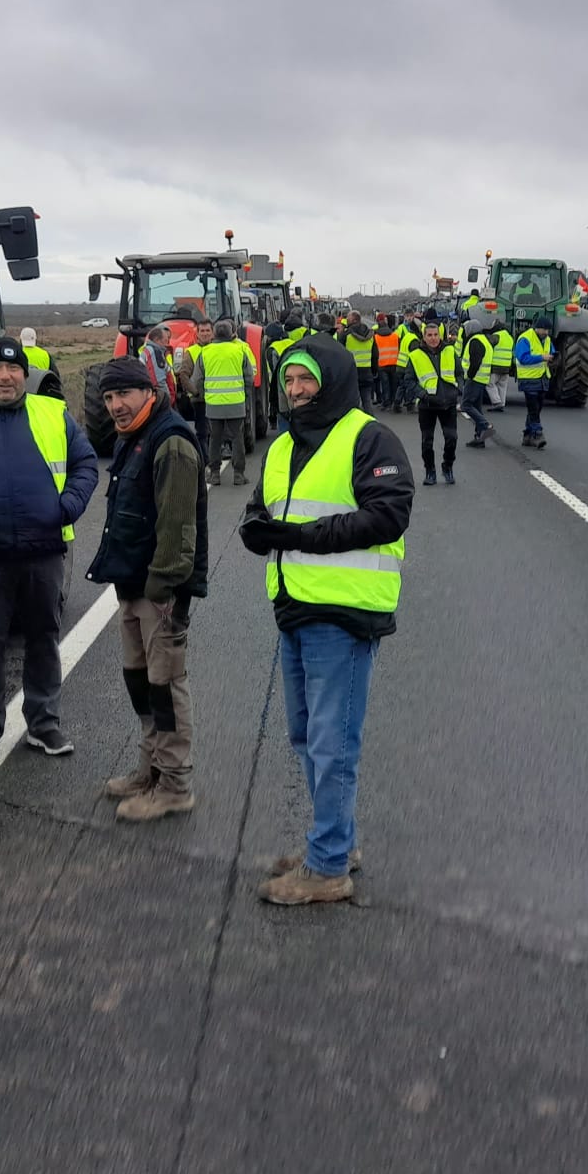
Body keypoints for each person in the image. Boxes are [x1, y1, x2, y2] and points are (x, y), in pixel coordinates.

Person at [239, 334, 413, 905]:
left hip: (344, 612)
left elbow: (388, 515)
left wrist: (294, 537)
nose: (295, 391)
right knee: (305, 734)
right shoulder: (285, 444)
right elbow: (262, 510)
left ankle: (329, 865)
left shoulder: (369, 437)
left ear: (332, 379)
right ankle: (335, 840)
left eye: (306, 379)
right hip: (293, 605)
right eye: (289, 381)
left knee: (331, 742)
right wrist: (255, 530)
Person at [0, 336, 99, 762]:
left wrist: (68, 506)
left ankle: (44, 724)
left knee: (43, 639)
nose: (6, 377)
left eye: (14, 370)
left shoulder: (52, 415)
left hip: (43, 550)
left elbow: (86, 464)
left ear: (24, 376)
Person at [85, 358, 209, 822]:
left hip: (160, 592)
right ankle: (151, 767)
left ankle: (175, 783)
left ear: (148, 392)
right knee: (140, 680)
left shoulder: (170, 440)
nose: (116, 405)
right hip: (133, 584)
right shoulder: (134, 436)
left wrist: (166, 588)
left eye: (124, 395)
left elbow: (178, 526)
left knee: (165, 685)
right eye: (110, 397)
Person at [199, 318, 256, 487]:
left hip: (213, 404)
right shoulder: (239, 350)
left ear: (214, 333)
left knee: (214, 439)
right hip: (236, 403)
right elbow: (249, 378)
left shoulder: (206, 352)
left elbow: (198, 379)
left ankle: (215, 474)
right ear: (232, 333)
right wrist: (244, 395)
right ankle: (239, 474)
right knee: (237, 438)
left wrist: (205, 396)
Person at [407, 321, 461, 485]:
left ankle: (448, 466)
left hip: (448, 403)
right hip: (427, 405)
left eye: (435, 335)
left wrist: (458, 390)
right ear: (424, 337)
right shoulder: (415, 355)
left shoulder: (450, 351)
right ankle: (430, 471)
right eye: (429, 335)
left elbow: (459, 373)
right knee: (427, 442)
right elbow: (409, 381)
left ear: (440, 335)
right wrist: (422, 395)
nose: (433, 338)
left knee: (451, 438)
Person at [515, 314, 554, 448]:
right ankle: (538, 433)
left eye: (548, 330)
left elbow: (551, 352)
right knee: (533, 409)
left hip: (542, 379)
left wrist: (553, 357)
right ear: (537, 328)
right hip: (528, 379)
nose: (546, 333)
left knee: (537, 408)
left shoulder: (547, 340)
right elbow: (522, 358)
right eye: (544, 330)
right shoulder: (525, 339)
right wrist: (542, 358)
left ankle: (527, 435)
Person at [460, 318, 495, 446]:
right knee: (477, 408)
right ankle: (480, 438)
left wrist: (469, 375)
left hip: (474, 379)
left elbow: (475, 361)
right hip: (482, 378)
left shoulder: (475, 341)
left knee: (466, 405)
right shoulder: (485, 340)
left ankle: (486, 426)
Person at [343, 311, 377, 409]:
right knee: (367, 401)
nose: (346, 320)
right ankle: (371, 422)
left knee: (353, 402)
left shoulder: (347, 334)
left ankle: (356, 422)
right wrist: (374, 371)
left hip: (351, 372)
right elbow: (375, 355)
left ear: (354, 320)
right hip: (366, 372)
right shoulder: (370, 335)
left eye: (348, 318)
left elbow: (340, 352)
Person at [138, 323, 175, 405]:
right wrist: (166, 400)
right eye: (166, 340)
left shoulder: (150, 351)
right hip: (161, 399)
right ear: (157, 340)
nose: (167, 343)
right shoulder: (155, 353)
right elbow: (158, 381)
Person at [372, 316, 403, 412]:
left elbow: (374, 353)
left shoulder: (376, 337)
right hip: (394, 363)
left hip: (382, 364)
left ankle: (386, 403)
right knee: (394, 384)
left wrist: (374, 367)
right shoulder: (395, 336)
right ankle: (394, 402)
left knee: (385, 385)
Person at [489, 315, 515, 410]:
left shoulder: (496, 336)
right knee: (502, 386)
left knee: (490, 384)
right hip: (506, 367)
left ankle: (496, 402)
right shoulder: (510, 337)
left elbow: (488, 347)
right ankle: (502, 404)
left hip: (496, 366)